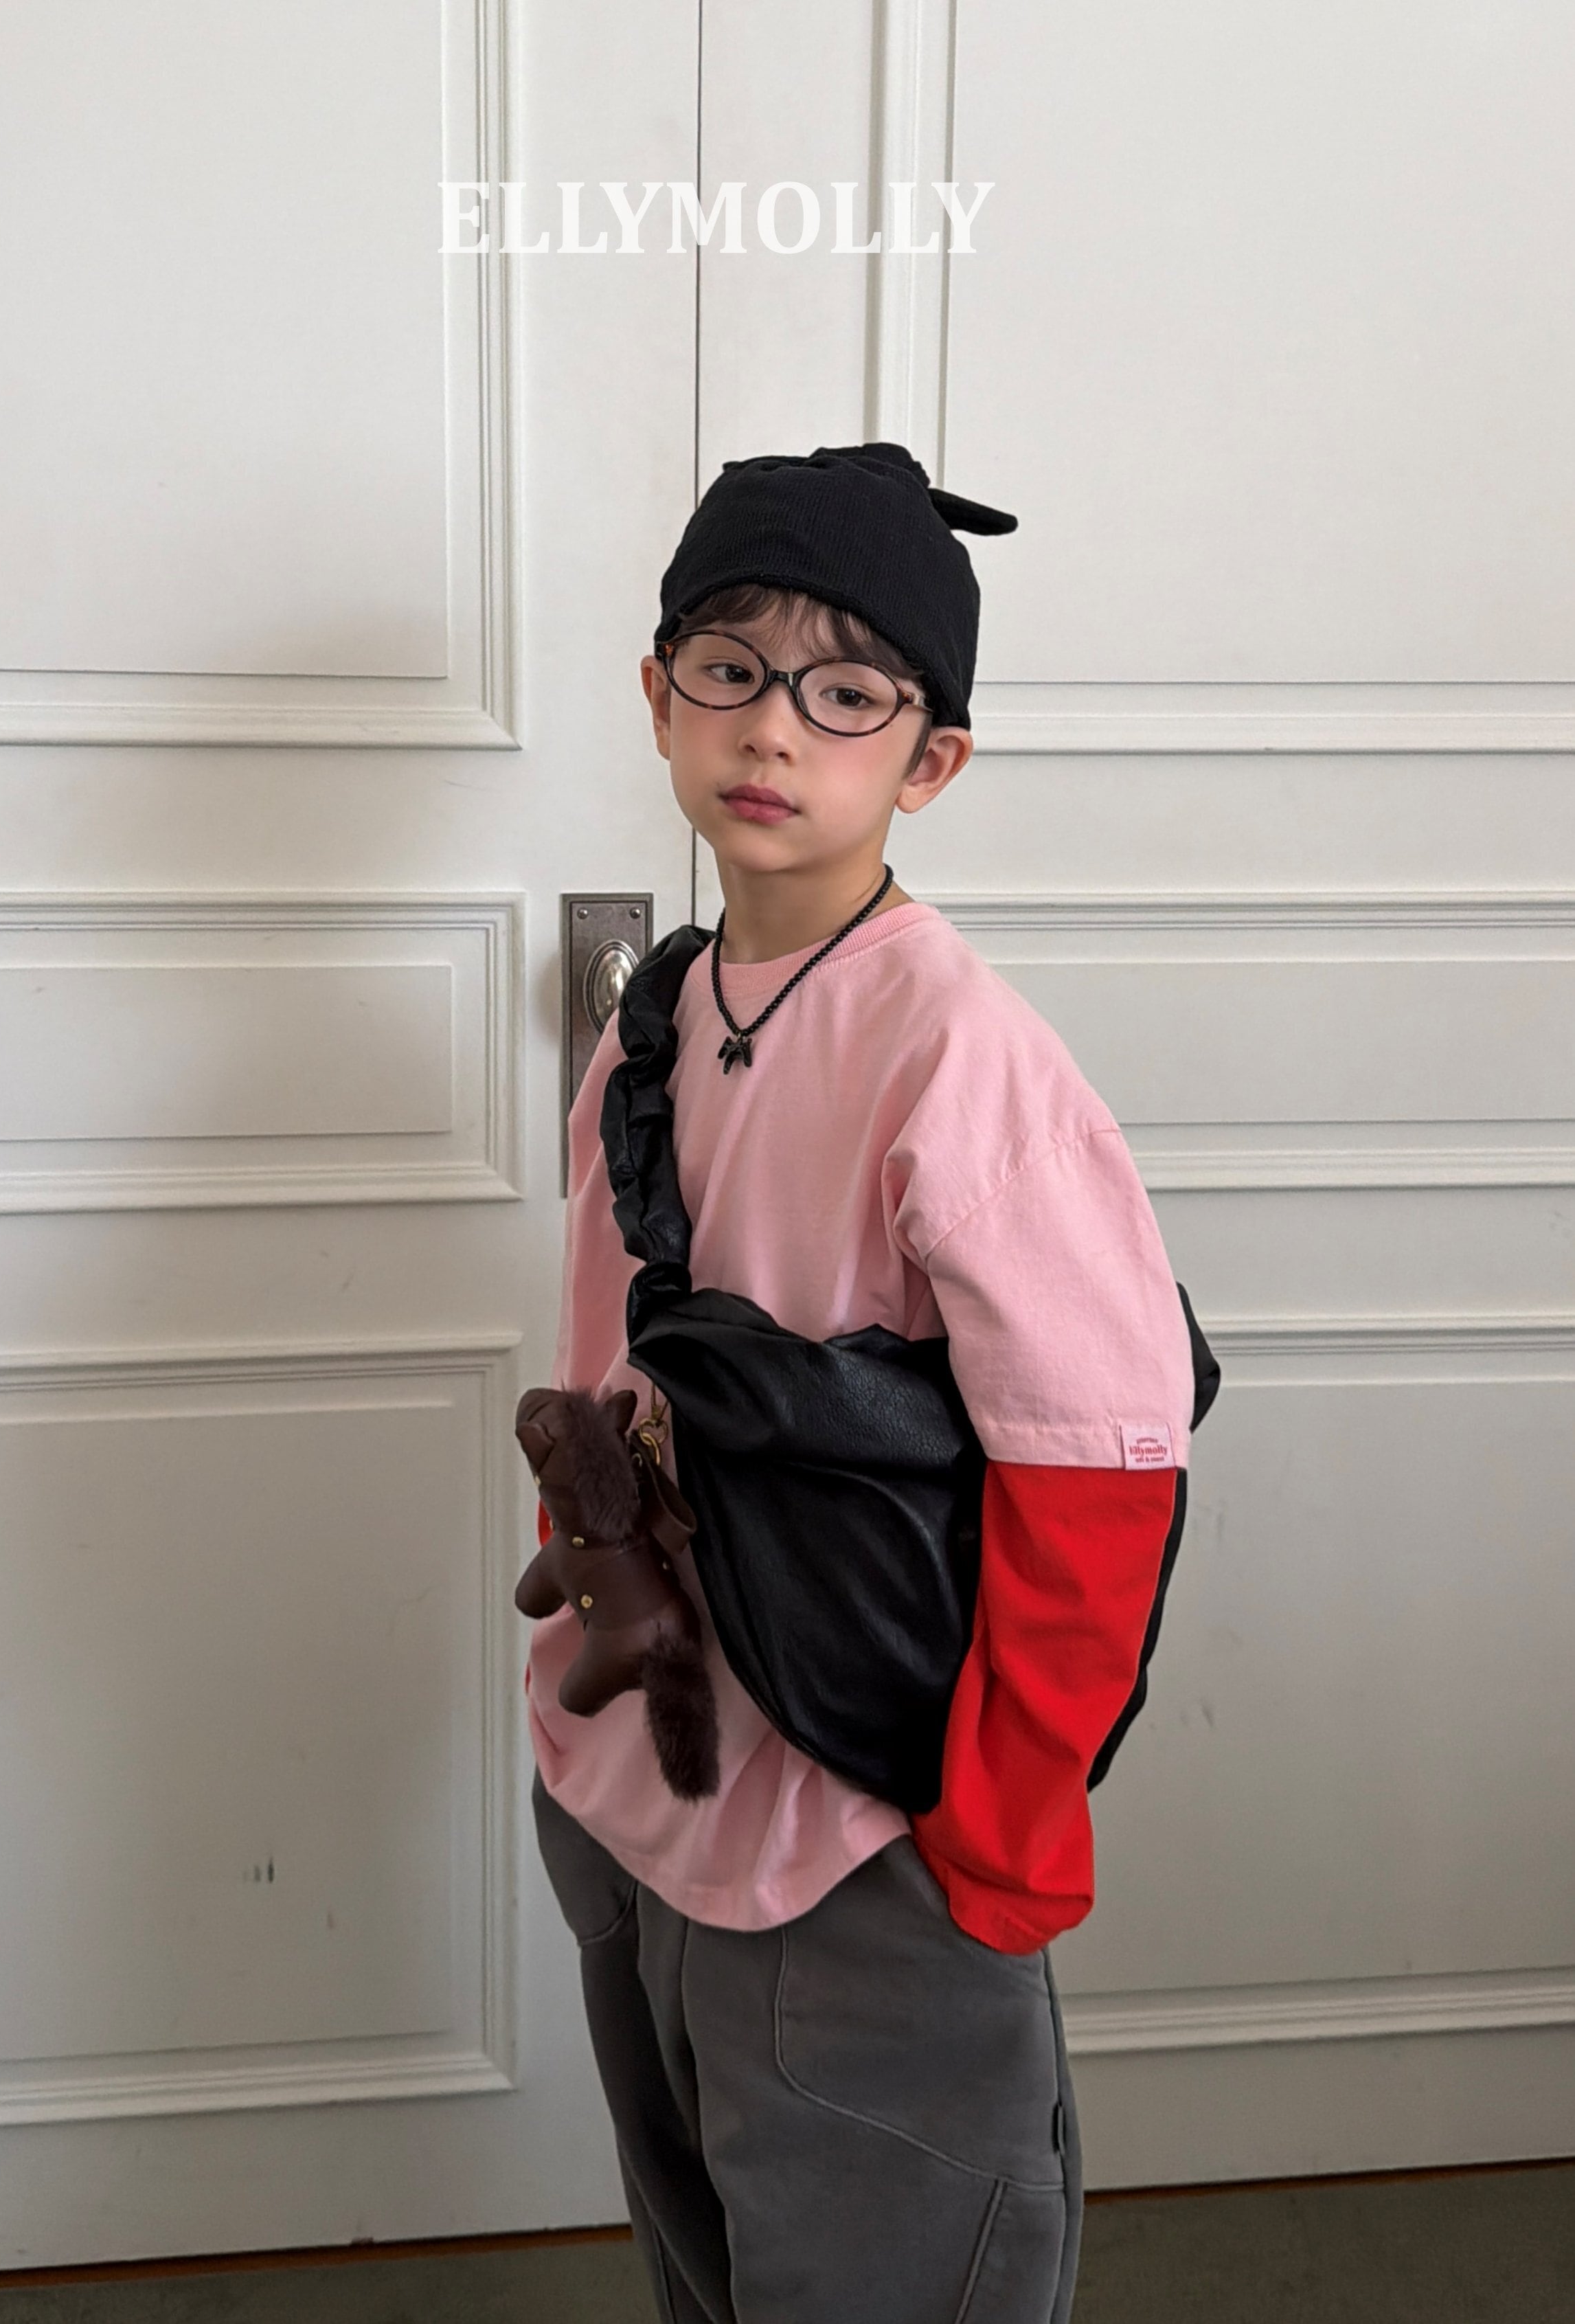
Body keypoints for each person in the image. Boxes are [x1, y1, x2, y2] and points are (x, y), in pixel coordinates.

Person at [526, 442, 1197, 2324]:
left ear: (930, 761)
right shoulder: (655, 1022)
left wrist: (999, 1834)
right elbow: (598, 1365)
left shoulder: (960, 1054)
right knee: (711, 2268)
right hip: (639, 1784)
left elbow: (1100, 1468)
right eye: (729, 667)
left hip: (858, 1833)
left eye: (847, 693)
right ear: (658, 694)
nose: (774, 727)